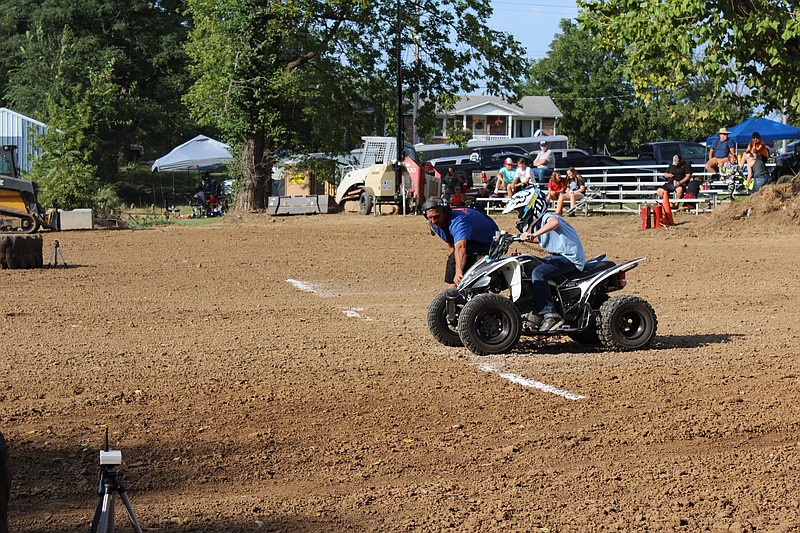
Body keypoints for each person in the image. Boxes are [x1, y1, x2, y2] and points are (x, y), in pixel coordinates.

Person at [517, 188, 586, 332]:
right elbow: (540, 239)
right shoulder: (539, 223)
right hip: (558, 256)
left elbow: (555, 223)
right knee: (528, 267)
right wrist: (516, 237)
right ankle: (536, 312)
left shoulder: (547, 216)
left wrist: (532, 234)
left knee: (539, 273)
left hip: (569, 257)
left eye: (520, 210)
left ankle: (550, 314)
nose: (519, 214)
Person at [422, 198, 499, 287]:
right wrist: (453, 267)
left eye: (436, 216)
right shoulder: (435, 223)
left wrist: (459, 270)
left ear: (446, 212)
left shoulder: (459, 221)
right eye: (430, 218)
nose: (433, 221)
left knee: (476, 280)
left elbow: (461, 247)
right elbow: (451, 242)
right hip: (468, 241)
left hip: (486, 242)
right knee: (452, 280)